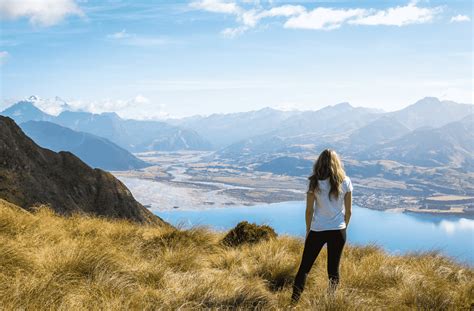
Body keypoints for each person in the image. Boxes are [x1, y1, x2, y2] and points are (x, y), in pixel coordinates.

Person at [291, 149, 353, 303]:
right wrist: (344, 228)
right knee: (333, 270)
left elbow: (309, 211)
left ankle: (293, 302)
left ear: (319, 162)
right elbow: (349, 211)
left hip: (317, 230)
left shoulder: (314, 182)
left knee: (304, 268)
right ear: (337, 163)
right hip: (338, 231)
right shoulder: (345, 181)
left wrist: (308, 229)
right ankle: (331, 302)